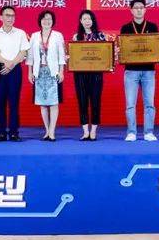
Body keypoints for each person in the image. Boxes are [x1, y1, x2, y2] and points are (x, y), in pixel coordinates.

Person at [121, 0, 159, 142]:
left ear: (145, 9)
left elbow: (156, 47)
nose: (138, 10)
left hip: (149, 70)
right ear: (131, 10)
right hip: (131, 70)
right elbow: (124, 49)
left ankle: (148, 132)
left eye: (141, 7)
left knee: (149, 103)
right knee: (130, 104)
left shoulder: (153, 27)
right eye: (136, 7)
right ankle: (131, 132)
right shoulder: (125, 28)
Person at [0, 5, 28, 142]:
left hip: (15, 69)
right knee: (0, 102)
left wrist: (12, 64)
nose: (10, 18)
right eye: (7, 15)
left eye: (12, 16)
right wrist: (6, 63)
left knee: (14, 102)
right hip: (0, 69)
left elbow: (23, 52)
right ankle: (0, 132)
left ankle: (14, 132)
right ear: (1, 17)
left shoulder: (20, 33)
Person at [28, 10, 65, 141]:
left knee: (54, 103)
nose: (46, 21)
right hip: (39, 72)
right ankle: (46, 130)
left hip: (53, 72)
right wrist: (30, 72)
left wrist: (61, 71)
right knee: (42, 103)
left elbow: (61, 55)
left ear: (53, 21)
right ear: (40, 21)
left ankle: (52, 131)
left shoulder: (57, 35)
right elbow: (30, 56)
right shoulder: (34, 36)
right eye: (44, 19)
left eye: (49, 19)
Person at [72, 9, 106, 141]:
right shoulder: (76, 37)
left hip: (96, 74)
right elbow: (73, 56)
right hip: (80, 75)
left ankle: (94, 131)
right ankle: (85, 131)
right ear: (80, 21)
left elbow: (105, 55)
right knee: (82, 102)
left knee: (96, 102)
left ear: (93, 21)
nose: (87, 21)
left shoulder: (100, 36)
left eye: (89, 19)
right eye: (84, 19)